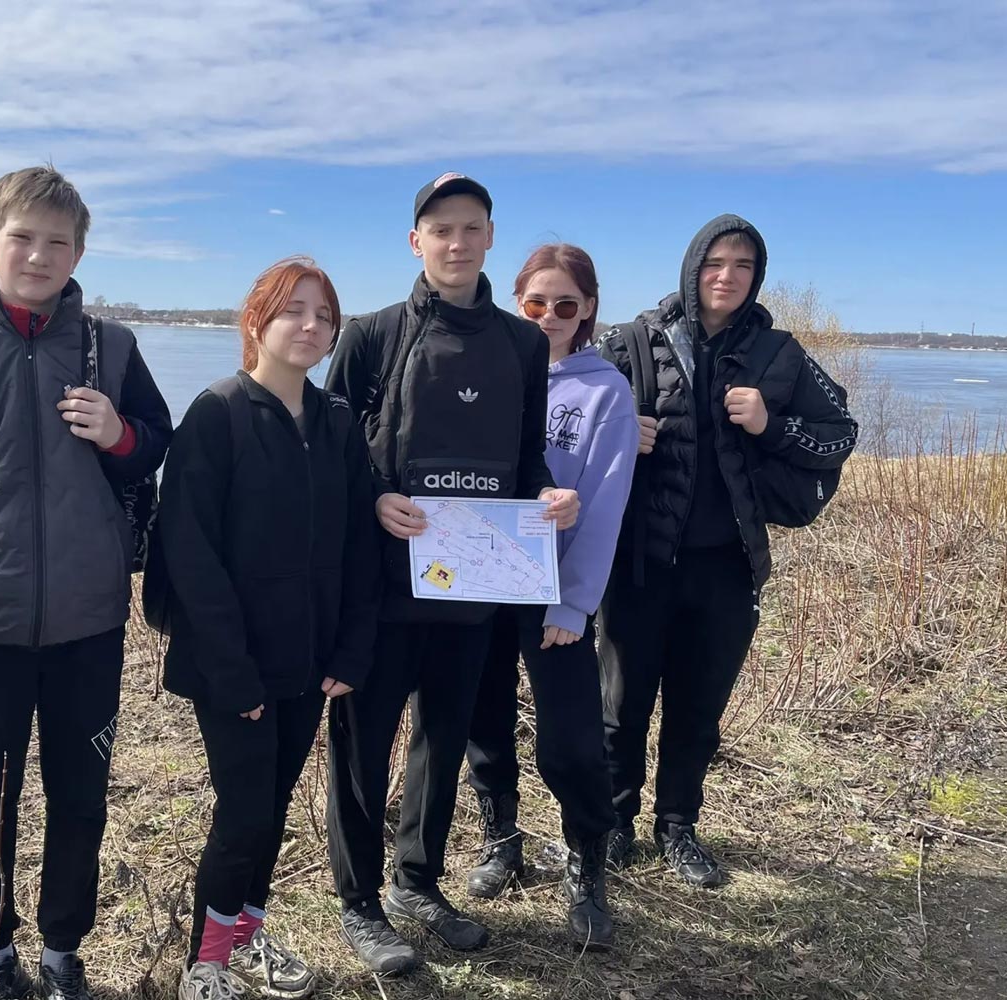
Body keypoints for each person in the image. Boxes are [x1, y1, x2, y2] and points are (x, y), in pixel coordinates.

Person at [0, 165, 172, 1000]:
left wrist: (117, 433)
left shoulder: (112, 347)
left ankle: (61, 952)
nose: (39, 255)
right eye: (22, 238)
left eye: (58, 241)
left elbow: (154, 446)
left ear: (79, 253)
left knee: (81, 794)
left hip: (88, 617)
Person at [322, 173, 580, 975]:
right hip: (380, 585)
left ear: (490, 237)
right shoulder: (371, 335)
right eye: (441, 229)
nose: (456, 242)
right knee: (362, 747)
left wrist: (548, 494)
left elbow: (527, 455)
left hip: (473, 583)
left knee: (441, 740)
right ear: (416, 242)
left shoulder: (522, 344)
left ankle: (416, 882)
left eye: (471, 228)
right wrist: (375, 498)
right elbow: (330, 449)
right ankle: (359, 900)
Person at [596, 214, 857, 887]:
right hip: (638, 562)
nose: (727, 276)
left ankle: (678, 827)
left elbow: (840, 432)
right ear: (692, 269)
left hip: (726, 568)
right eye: (715, 263)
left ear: (757, 277)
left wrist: (774, 424)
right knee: (620, 706)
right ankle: (614, 825)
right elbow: (564, 419)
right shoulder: (630, 341)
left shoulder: (780, 353)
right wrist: (621, 433)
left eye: (743, 266)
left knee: (698, 708)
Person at [149, 257, 381, 1000]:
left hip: (308, 661)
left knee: (273, 807)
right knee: (244, 813)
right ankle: (206, 964)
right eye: (294, 311)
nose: (311, 326)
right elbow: (190, 555)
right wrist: (232, 672)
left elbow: (360, 545)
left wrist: (352, 648)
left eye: (324, 315)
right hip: (235, 666)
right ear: (257, 321)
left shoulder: (336, 422)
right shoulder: (216, 415)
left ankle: (245, 936)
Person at [461, 244, 637, 949]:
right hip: (478, 580)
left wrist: (573, 603)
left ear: (588, 308)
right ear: (517, 302)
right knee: (484, 716)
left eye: (566, 303)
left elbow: (605, 504)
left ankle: (587, 861)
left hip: (554, 593)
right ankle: (500, 836)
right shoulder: (489, 372)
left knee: (570, 736)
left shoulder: (606, 393)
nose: (550, 316)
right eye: (536, 302)